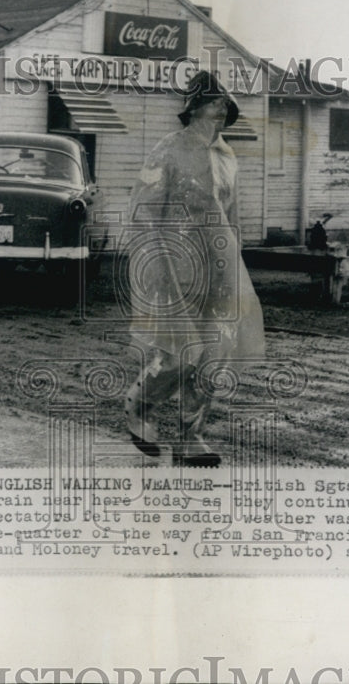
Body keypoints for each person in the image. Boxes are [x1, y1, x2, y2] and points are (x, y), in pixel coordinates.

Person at [123, 71, 266, 466]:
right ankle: (140, 406)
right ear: (194, 109)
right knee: (179, 353)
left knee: (214, 353)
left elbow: (231, 213)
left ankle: (191, 437)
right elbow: (144, 209)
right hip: (175, 262)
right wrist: (155, 261)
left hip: (220, 265)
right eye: (213, 102)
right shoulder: (168, 150)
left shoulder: (227, 156)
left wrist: (235, 259)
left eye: (225, 103)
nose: (221, 108)